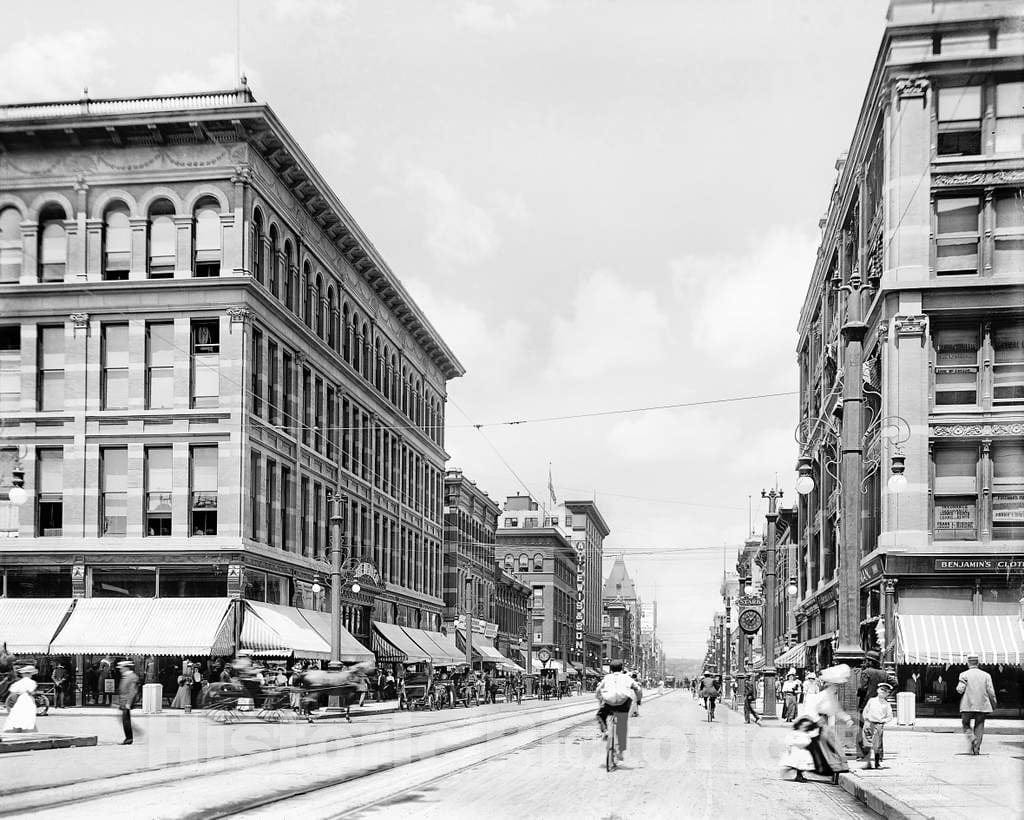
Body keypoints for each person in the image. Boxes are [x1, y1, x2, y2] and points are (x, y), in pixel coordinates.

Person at [798, 664, 853, 783]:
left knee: (831, 746)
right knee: (814, 748)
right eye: (835, 686)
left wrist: (846, 718)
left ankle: (835, 771)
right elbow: (811, 708)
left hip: (823, 724)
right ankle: (801, 772)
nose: (836, 688)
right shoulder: (823, 695)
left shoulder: (831, 696)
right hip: (816, 723)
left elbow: (836, 710)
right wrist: (816, 720)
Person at [594, 660, 642, 762]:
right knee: (622, 725)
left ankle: (605, 731)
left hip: (609, 702)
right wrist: (638, 699)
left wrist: (600, 699)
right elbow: (638, 689)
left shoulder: (607, 678)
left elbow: (598, 690)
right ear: (622, 668)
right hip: (623, 703)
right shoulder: (626, 677)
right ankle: (620, 751)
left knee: (600, 715)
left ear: (610, 669)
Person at [957, 652, 997, 755]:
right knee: (979, 725)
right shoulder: (986, 675)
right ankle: (976, 748)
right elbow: (991, 692)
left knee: (965, 723)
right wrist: (994, 703)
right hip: (982, 705)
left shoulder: (964, 674)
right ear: (978, 663)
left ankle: (972, 738)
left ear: (968, 663)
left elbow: (960, 690)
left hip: (967, 705)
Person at [861, 681, 893, 769]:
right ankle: (867, 762)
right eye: (881, 689)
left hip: (878, 725)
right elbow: (865, 710)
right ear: (877, 690)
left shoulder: (886, 704)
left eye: (885, 691)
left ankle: (877, 763)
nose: (883, 692)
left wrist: (883, 721)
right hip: (869, 723)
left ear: (887, 694)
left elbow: (890, 716)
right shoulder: (871, 700)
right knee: (866, 743)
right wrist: (866, 719)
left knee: (877, 745)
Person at [3, 666, 39, 733]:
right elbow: (30, 691)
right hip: (26, 700)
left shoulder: (17, 683)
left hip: (17, 702)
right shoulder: (31, 682)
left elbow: (11, 692)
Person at [117, 660, 139, 745]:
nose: (120, 670)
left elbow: (132, 691)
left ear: (126, 668)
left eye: (121, 668)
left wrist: (129, 703)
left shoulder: (132, 677)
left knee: (126, 721)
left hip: (127, 703)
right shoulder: (126, 676)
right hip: (123, 702)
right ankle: (129, 738)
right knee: (125, 720)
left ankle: (129, 738)